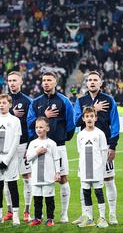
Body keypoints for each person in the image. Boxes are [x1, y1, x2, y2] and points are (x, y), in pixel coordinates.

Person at [27, 71, 75, 223]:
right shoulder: (36, 102)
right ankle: (39, 215)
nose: (46, 82)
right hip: (40, 147)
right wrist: (44, 114)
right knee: (39, 179)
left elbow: (71, 124)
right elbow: (29, 122)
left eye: (49, 80)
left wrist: (62, 138)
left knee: (62, 178)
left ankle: (64, 214)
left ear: (55, 82)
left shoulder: (64, 101)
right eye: (44, 80)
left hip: (58, 146)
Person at [73, 71, 119, 225]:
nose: (92, 82)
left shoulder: (108, 99)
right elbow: (76, 122)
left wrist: (112, 145)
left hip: (104, 146)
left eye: (95, 80)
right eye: (89, 80)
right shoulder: (81, 101)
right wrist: (94, 108)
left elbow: (115, 124)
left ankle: (111, 214)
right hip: (87, 147)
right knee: (84, 181)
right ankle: (86, 214)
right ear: (86, 83)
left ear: (101, 82)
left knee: (108, 179)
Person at [0, 71, 33, 222]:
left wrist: (30, 145)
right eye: (9, 80)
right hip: (6, 147)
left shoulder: (28, 101)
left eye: (14, 80)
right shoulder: (3, 100)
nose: (11, 83)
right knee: (6, 179)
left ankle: (26, 210)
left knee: (26, 177)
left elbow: (31, 124)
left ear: (21, 82)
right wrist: (11, 112)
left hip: (23, 144)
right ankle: (10, 210)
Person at [0, 94, 22, 226]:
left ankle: (16, 216)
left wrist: (6, 161)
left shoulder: (15, 121)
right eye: (0, 103)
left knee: (12, 187)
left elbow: (15, 142)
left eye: (4, 102)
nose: (1, 105)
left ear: (10, 104)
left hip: (10, 158)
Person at [76, 107, 109, 228]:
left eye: (91, 116)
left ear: (95, 118)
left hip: (97, 169)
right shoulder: (80, 135)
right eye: (87, 116)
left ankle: (102, 218)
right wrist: (80, 168)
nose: (89, 118)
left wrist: (102, 167)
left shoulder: (100, 133)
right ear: (83, 118)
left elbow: (104, 152)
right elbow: (80, 152)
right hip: (85, 169)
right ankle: (89, 219)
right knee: (86, 193)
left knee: (99, 192)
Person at [26, 117, 60, 227]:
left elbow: (56, 159)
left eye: (41, 127)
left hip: (48, 177)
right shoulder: (32, 143)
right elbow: (28, 158)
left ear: (47, 128)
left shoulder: (52, 144)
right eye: (36, 127)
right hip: (36, 177)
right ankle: (37, 218)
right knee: (37, 199)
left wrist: (58, 172)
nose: (38, 129)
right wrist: (37, 152)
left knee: (49, 199)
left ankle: (50, 218)